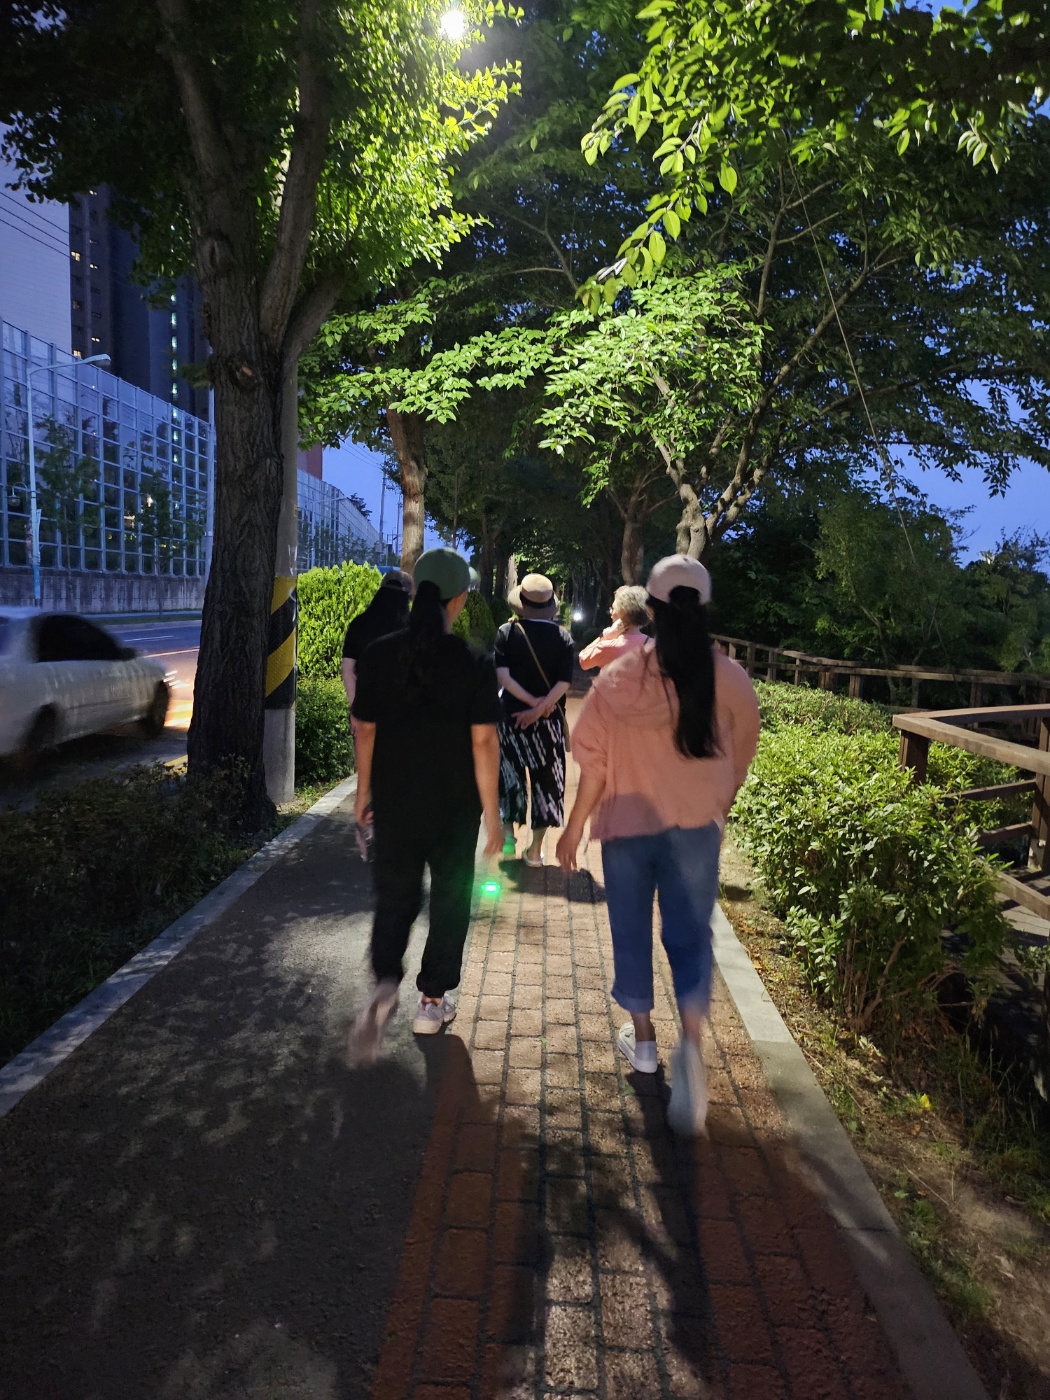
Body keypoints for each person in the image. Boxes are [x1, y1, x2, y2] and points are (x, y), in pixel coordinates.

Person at [555, 555, 760, 1136]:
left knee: (630, 929)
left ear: (652, 608)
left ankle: (643, 1042)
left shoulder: (620, 677)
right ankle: (690, 1043)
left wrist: (574, 828)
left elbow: (593, 764)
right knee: (690, 936)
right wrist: (720, 801)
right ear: (704, 607)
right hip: (695, 827)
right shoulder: (731, 679)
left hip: (627, 826)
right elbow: (741, 753)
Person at [349, 548, 503, 1056]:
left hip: (395, 800)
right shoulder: (475, 662)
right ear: (459, 600)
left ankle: (385, 980)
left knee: (396, 893)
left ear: (416, 592)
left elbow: (364, 729)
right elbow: (483, 742)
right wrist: (494, 817)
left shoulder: (378, 654)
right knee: (451, 897)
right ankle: (432, 1002)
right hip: (455, 807)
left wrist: (362, 797)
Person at [494, 573, 575, 866]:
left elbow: (503, 678)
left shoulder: (506, 632)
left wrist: (529, 705)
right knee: (547, 784)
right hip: (548, 724)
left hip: (511, 720)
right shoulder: (563, 637)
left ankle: (508, 838)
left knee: (509, 778)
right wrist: (541, 709)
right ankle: (535, 851)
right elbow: (564, 683)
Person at [341, 570, 414, 722]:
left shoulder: (359, 624)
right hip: (403, 713)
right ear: (407, 597)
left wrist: (356, 710)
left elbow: (348, 671)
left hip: (367, 711)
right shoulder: (411, 628)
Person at [579, 585, 650, 671]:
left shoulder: (608, 646)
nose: (611, 613)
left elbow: (583, 660)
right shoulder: (654, 647)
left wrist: (604, 637)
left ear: (622, 612)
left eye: (613, 608)